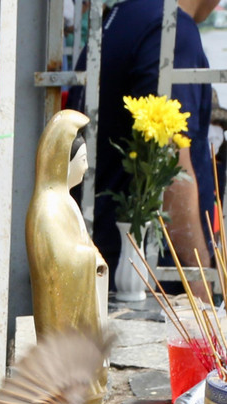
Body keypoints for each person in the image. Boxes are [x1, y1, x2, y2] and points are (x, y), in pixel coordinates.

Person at [69, 0, 217, 294]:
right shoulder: (172, 30)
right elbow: (171, 161)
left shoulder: (117, 17)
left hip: (95, 256)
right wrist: (200, 282)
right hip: (145, 276)